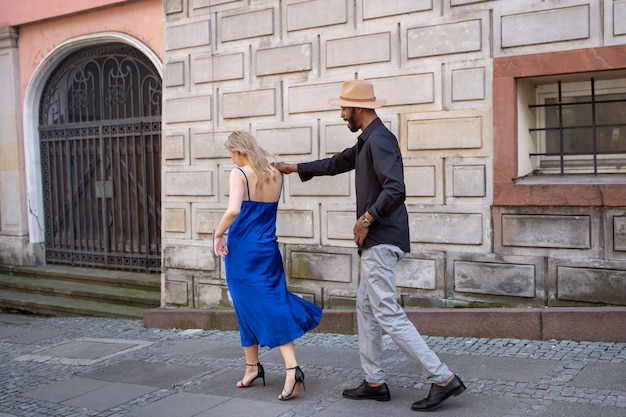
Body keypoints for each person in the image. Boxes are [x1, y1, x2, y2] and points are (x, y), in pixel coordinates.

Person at [275, 79, 466, 411]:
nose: (341, 114)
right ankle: (375, 382)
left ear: (359, 109)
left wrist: (366, 219)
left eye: (344, 108)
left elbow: (396, 189)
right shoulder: (367, 141)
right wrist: (294, 168)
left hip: (381, 238)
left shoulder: (380, 141)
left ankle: (443, 378)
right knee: (366, 309)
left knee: (388, 313)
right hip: (378, 239)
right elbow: (336, 163)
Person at [213, 131, 322, 401]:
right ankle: (252, 368)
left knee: (260, 305)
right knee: (264, 302)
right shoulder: (275, 174)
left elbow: (234, 210)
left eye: (231, 152)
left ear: (238, 151)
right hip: (268, 249)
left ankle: (292, 369)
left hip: (243, 251)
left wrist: (217, 234)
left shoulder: (238, 173)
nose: (231, 157)